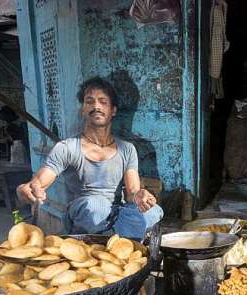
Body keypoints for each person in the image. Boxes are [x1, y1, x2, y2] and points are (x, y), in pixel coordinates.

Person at [16, 76, 163, 239]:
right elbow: (42, 178)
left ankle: (116, 237)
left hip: (118, 214)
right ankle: (118, 238)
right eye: (90, 101)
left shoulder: (127, 149)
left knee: (153, 212)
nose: (96, 106)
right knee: (95, 206)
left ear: (113, 110)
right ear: (83, 109)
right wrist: (30, 187)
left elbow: (131, 192)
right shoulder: (67, 147)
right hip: (85, 214)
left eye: (103, 101)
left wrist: (140, 195)